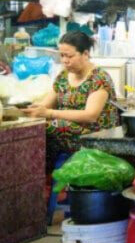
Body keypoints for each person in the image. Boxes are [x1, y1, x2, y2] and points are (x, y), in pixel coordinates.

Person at [26, 32, 120, 169]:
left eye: (69, 56)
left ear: (85, 54)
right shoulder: (63, 76)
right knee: (33, 125)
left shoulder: (99, 78)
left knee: (49, 125)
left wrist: (51, 113)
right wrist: (30, 108)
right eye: (62, 55)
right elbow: (46, 105)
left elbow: (90, 116)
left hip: (94, 135)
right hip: (68, 135)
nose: (65, 60)